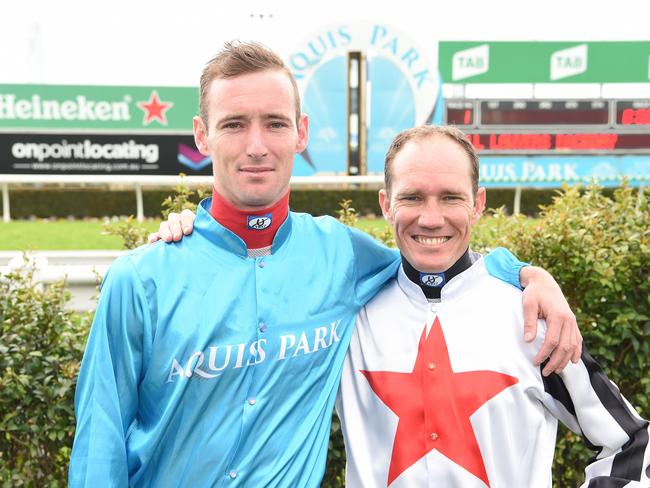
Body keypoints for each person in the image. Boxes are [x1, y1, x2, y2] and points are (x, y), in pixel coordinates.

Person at [69, 42, 580, 487]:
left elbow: (442, 260)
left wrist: (527, 275)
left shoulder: (342, 254)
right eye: (233, 125)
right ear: (202, 136)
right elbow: (99, 448)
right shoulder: (138, 279)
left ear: (301, 132)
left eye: (274, 123)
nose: (256, 145)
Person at [335, 125, 650, 487]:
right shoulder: (347, 316)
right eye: (413, 198)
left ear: (478, 204)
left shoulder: (531, 316)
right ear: (386, 205)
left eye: (452, 197)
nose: (432, 218)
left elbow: (632, 444)